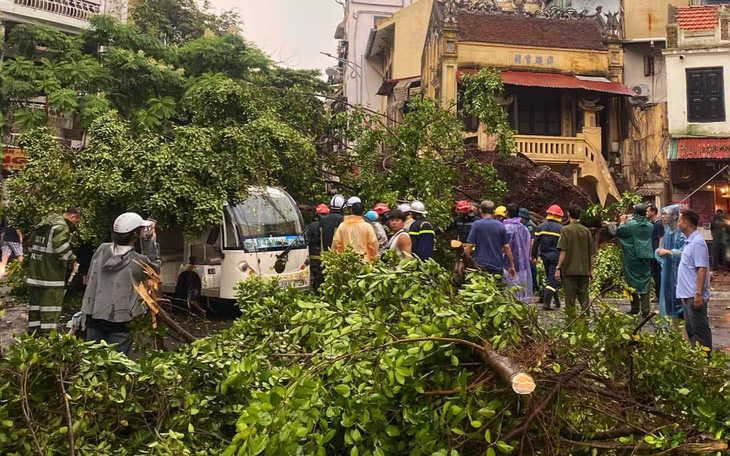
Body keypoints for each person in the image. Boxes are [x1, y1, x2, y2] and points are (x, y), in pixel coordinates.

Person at [82, 213, 160, 356]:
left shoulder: (101, 250)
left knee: (93, 363)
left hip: (94, 316)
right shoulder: (138, 261)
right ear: (135, 235)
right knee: (117, 366)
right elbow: (154, 270)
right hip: (122, 320)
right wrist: (149, 242)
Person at [26, 206, 82, 334]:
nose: (75, 225)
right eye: (76, 222)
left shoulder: (44, 224)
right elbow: (61, 249)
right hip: (51, 278)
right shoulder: (61, 227)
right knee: (49, 312)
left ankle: (33, 338)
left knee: (35, 311)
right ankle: (48, 342)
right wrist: (72, 260)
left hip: (35, 275)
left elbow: (29, 246)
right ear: (73, 216)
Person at [676, 209, 712, 351]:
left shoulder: (698, 243)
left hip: (694, 295)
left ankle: (704, 359)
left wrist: (698, 293)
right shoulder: (689, 242)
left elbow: (701, 269)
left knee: (700, 330)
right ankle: (695, 358)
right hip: (687, 295)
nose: (678, 224)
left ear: (685, 224)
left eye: (679, 221)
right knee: (691, 329)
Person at [616, 204, 655, 316]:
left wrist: (622, 221)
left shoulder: (630, 224)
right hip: (646, 255)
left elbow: (619, 232)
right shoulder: (650, 226)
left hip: (632, 256)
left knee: (631, 281)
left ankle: (635, 308)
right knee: (645, 281)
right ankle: (645, 309)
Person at [556, 205, 595, 312]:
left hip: (569, 270)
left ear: (568, 214)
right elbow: (591, 253)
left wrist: (558, 267)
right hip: (583, 270)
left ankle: (570, 323)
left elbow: (563, 250)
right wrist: (590, 270)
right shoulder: (586, 231)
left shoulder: (566, 230)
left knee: (570, 299)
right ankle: (586, 321)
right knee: (584, 298)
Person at [464, 201, 516, 279]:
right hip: (497, 265)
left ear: (480, 210)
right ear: (493, 211)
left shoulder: (476, 224)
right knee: (496, 288)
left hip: (480, 264)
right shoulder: (501, 226)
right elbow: (506, 247)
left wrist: (466, 260)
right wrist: (511, 265)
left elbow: (470, 245)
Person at [655, 205, 686, 321]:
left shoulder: (680, 234)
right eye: (662, 214)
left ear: (674, 216)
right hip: (668, 272)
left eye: (665, 214)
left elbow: (685, 254)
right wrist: (658, 253)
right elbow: (661, 249)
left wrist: (668, 252)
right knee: (668, 300)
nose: (663, 217)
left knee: (679, 302)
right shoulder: (668, 233)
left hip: (679, 273)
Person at [533, 205, 563, 310]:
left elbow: (535, 243)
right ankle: (546, 304)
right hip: (556, 257)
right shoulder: (561, 229)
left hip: (544, 256)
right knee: (552, 278)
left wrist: (534, 255)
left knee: (550, 277)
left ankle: (557, 301)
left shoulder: (541, 227)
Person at [503, 204, 533, 303]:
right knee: (520, 287)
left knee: (509, 290)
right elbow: (528, 244)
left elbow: (504, 247)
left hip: (508, 263)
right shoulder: (524, 228)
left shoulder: (505, 228)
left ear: (506, 212)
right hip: (522, 263)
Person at [305, 204, 329, 294]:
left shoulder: (311, 226)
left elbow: (306, 239)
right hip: (325, 256)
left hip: (313, 256)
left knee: (314, 277)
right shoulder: (329, 226)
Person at [519, 207, 539, 301]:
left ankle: (535, 287)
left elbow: (532, 241)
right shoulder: (524, 225)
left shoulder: (529, 226)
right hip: (525, 252)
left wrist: (531, 254)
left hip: (529, 252)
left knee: (532, 270)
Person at [648, 204, 665, 302]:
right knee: (654, 274)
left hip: (656, 253)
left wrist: (659, 251)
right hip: (652, 252)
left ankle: (659, 295)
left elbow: (660, 237)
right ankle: (657, 294)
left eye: (648, 211)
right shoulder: (651, 223)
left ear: (653, 212)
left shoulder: (658, 224)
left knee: (657, 275)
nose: (647, 213)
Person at [710, 209, 726, 276]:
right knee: (715, 256)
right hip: (716, 241)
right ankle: (714, 270)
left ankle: (724, 270)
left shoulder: (725, 222)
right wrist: (714, 237)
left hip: (723, 241)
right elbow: (711, 230)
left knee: (724, 257)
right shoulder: (713, 222)